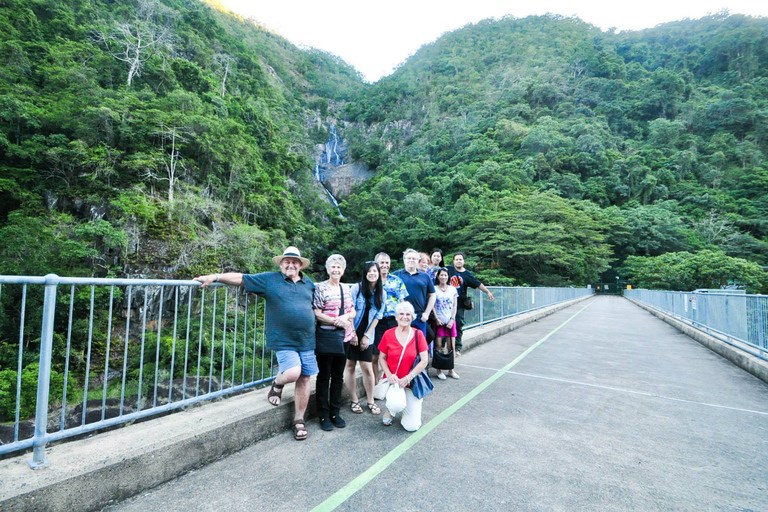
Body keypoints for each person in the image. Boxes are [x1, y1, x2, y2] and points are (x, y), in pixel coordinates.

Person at [194, 246, 317, 441]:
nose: (291, 265)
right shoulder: (270, 280)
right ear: (281, 264)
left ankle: (298, 420)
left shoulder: (309, 284)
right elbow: (242, 278)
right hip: (283, 338)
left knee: (305, 377)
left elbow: (316, 306)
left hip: (307, 339)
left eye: (295, 262)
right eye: (287, 261)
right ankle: (277, 382)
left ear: (300, 265)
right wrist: (215, 277)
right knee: (294, 373)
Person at [313, 254, 356, 431]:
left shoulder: (346, 288)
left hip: (343, 338)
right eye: (333, 267)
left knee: (338, 376)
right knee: (324, 376)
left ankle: (335, 412)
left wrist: (345, 318)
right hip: (326, 337)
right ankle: (323, 414)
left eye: (339, 267)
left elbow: (352, 310)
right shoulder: (321, 288)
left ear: (343, 270)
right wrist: (335, 321)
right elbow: (316, 312)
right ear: (328, 269)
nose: (336, 270)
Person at [378, 301, 429, 431]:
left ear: (412, 317)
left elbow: (424, 360)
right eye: (401, 314)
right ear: (396, 317)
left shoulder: (418, 335)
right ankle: (391, 410)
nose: (404, 317)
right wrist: (389, 376)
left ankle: (409, 403)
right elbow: (381, 358)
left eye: (408, 314)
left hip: (411, 382)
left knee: (412, 427)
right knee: (396, 405)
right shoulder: (388, 334)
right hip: (393, 382)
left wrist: (408, 377)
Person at [346, 261, 387, 415]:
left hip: (367, 335)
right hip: (352, 332)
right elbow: (349, 311)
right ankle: (354, 400)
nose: (372, 274)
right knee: (350, 365)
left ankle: (370, 401)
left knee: (367, 368)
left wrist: (366, 336)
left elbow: (378, 316)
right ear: (365, 273)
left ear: (378, 273)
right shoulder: (357, 288)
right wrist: (353, 334)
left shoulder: (382, 293)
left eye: (374, 271)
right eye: (369, 271)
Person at [448, 252, 494, 356]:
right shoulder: (448, 270)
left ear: (463, 261)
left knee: (458, 324)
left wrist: (488, 292)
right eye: (457, 259)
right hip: (446, 303)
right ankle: (445, 346)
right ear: (453, 261)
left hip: (459, 304)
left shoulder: (467, 274)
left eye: (460, 259)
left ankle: (457, 347)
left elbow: (478, 284)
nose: (459, 261)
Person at [372, 252, 409, 383]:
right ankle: (376, 382)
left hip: (393, 320)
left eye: (387, 263)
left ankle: (393, 380)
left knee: (394, 352)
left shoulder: (397, 281)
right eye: (382, 262)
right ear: (376, 264)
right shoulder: (371, 280)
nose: (385, 265)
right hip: (377, 321)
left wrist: (404, 319)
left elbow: (402, 301)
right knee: (375, 354)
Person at [394, 248, 436, 338]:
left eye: (414, 258)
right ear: (404, 260)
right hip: (402, 316)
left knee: (420, 345)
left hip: (419, 316)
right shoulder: (396, 275)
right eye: (409, 258)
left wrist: (427, 313)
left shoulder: (425, 276)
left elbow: (432, 295)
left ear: (417, 261)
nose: (411, 260)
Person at [433, 267, 460, 380]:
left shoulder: (453, 289)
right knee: (438, 345)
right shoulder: (434, 289)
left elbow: (455, 305)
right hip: (439, 321)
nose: (443, 277)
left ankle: (451, 369)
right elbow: (432, 305)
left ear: (448, 277)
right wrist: (436, 318)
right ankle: (439, 370)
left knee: (451, 346)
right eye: (441, 275)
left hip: (450, 321)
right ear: (438, 276)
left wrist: (452, 319)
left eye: (445, 275)